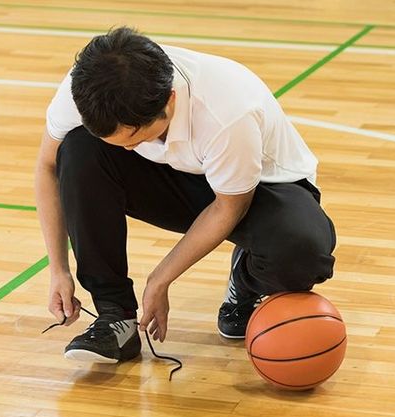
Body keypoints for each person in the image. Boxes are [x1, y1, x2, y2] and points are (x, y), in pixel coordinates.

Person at [34, 27, 336, 363]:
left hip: (261, 189)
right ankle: (115, 316)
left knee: (302, 252)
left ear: (170, 100)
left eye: (134, 137)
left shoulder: (228, 111)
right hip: (176, 176)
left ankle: (246, 279)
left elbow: (228, 207)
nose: (129, 148)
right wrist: (58, 269)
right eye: (117, 142)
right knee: (78, 152)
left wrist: (160, 279)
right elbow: (47, 167)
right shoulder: (86, 88)